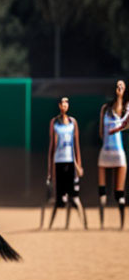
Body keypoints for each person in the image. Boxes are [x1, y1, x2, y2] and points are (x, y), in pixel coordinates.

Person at [46, 96, 87, 230]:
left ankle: (84, 225)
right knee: (60, 199)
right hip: (59, 162)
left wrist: (79, 165)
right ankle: (50, 225)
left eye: (67, 102)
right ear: (59, 105)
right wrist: (49, 171)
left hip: (71, 163)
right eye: (63, 102)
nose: (65, 104)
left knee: (74, 197)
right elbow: (52, 147)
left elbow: (76, 145)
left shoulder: (72, 122)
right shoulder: (54, 122)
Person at [97, 79, 129, 229]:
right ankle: (104, 224)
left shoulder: (123, 108)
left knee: (118, 191)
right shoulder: (106, 108)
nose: (119, 88)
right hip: (111, 152)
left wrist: (120, 97)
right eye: (118, 86)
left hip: (112, 151)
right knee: (104, 191)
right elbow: (101, 131)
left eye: (121, 86)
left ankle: (119, 224)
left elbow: (117, 113)